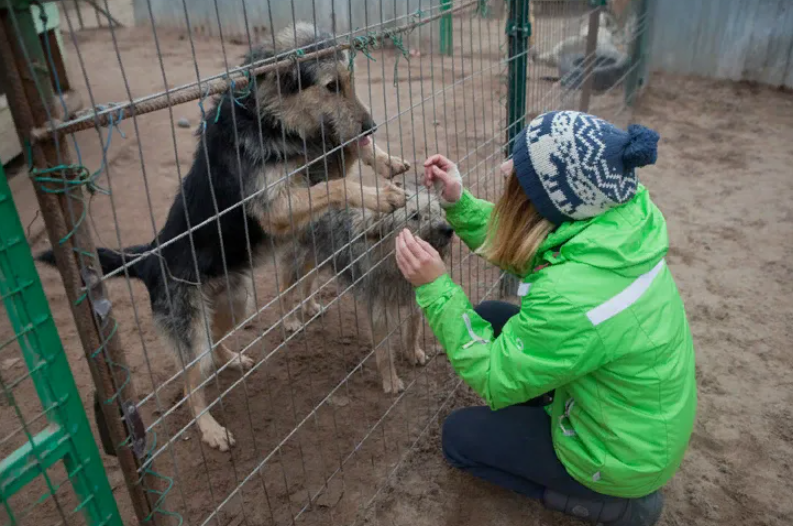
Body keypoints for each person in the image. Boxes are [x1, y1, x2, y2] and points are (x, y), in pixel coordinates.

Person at [394, 111, 696, 526]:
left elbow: (494, 377)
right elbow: (530, 244)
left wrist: (436, 288)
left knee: (459, 438)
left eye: (518, 170)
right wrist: (459, 203)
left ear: (555, 200)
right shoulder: (616, 217)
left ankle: (615, 507)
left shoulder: (571, 296)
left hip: (617, 459)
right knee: (490, 316)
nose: (504, 169)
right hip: (638, 423)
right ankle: (555, 405)